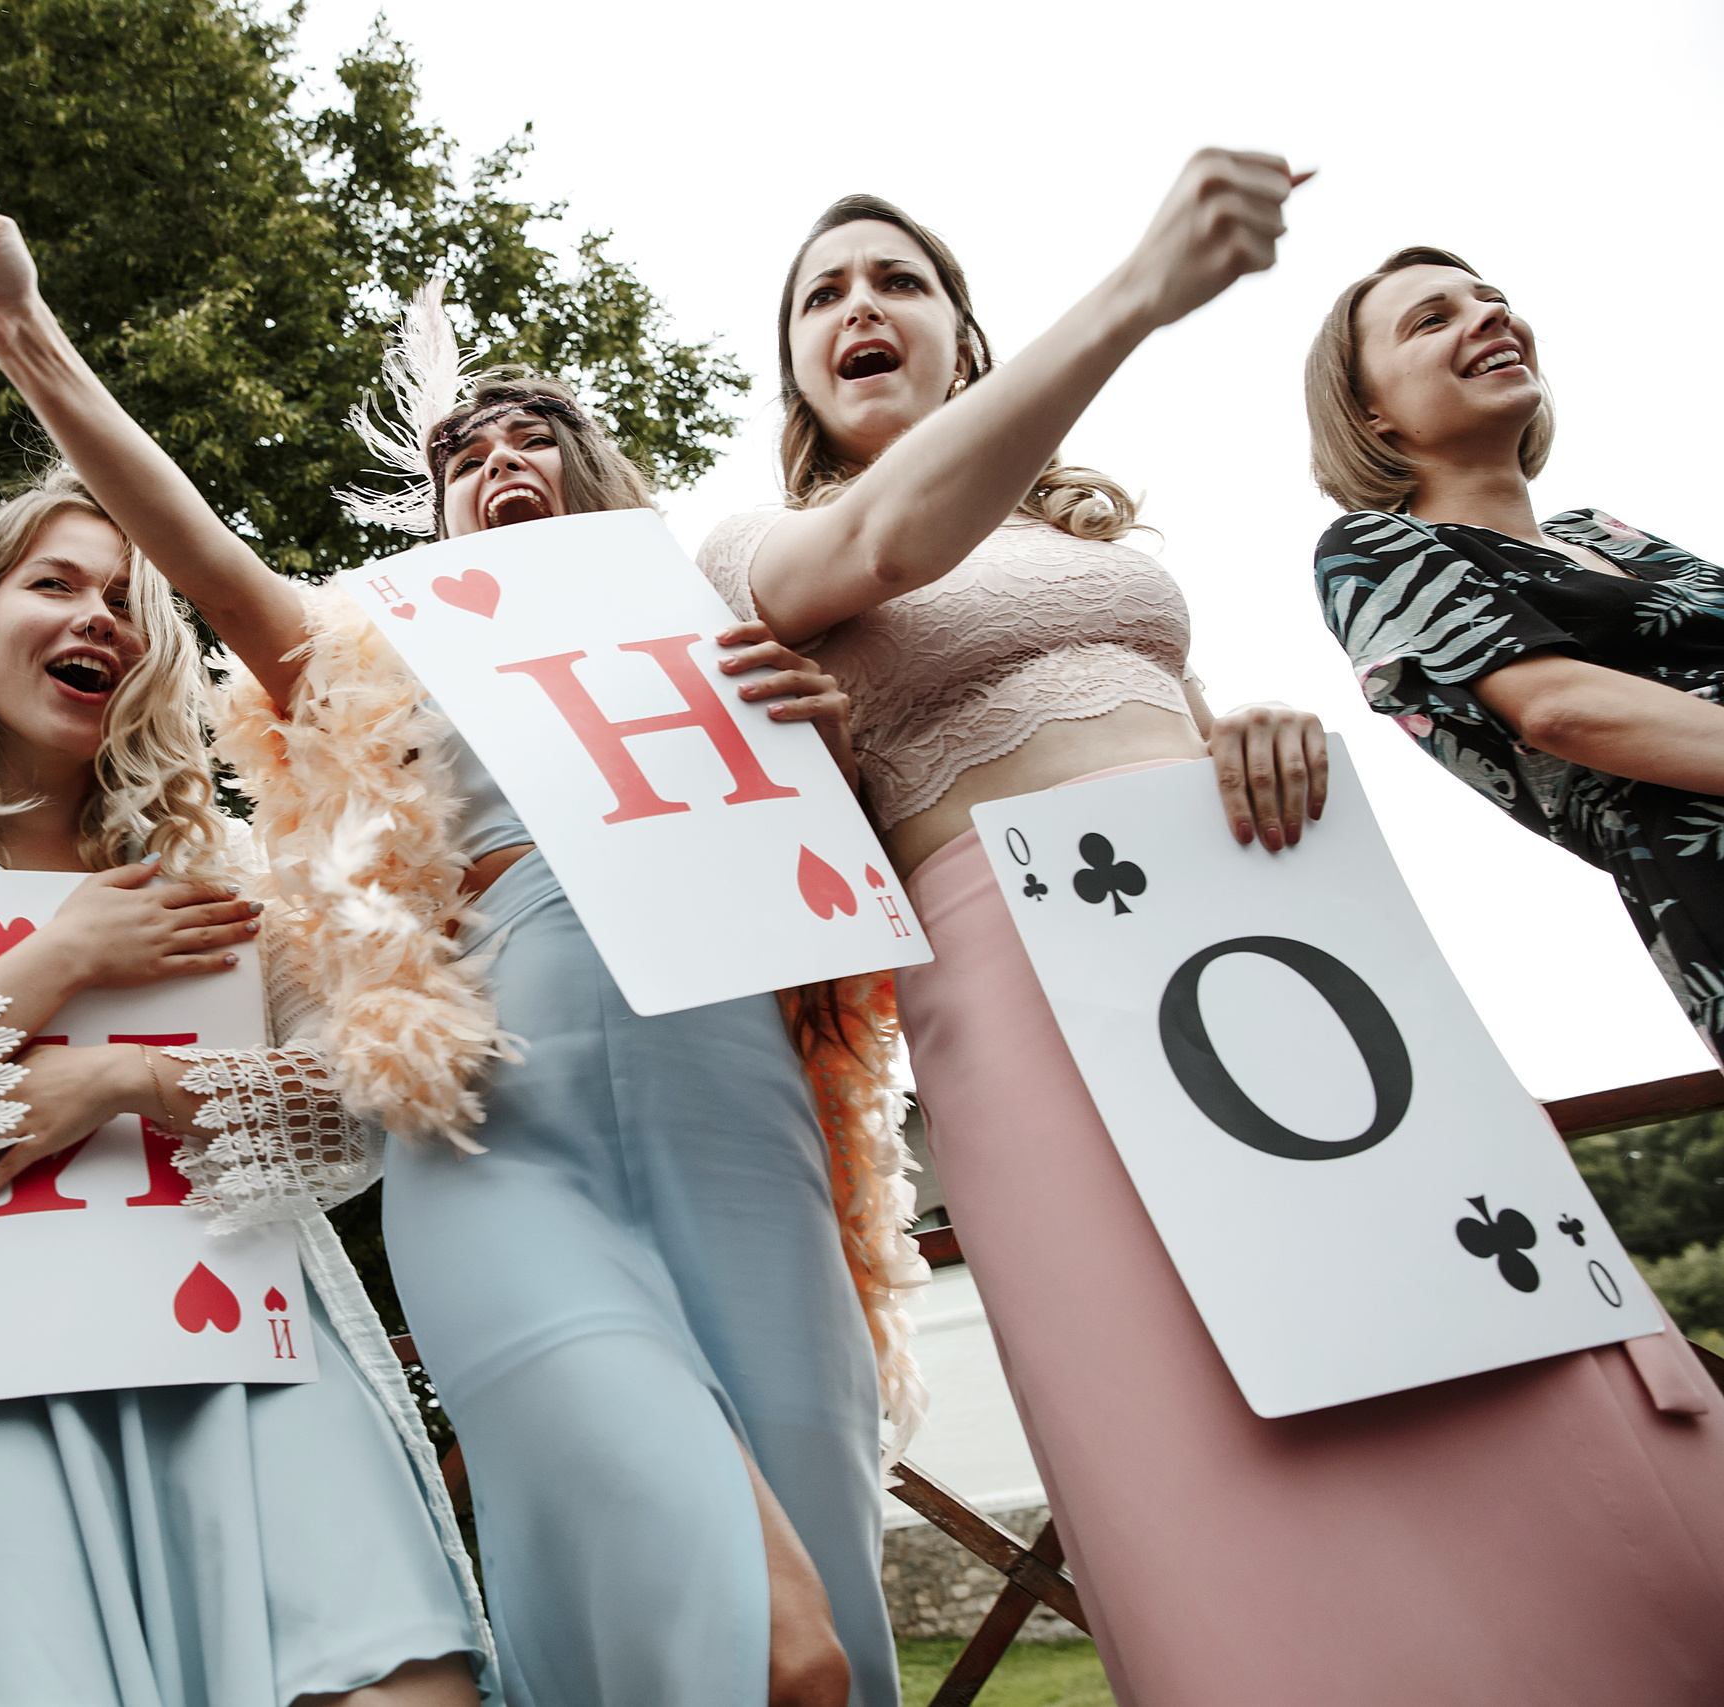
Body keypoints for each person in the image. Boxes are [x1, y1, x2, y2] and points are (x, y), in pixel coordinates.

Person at [701, 158, 1724, 1704]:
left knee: (1468, 1308)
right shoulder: (752, 549)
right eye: (824, 295)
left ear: (964, 338)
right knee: (1198, 1396)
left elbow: (1165, 720)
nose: (862, 306)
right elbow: (890, 552)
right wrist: (1138, 292)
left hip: (1268, 945)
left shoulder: (1102, 546)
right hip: (1026, 981)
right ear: (793, 369)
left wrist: (1254, 738)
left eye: (899, 279)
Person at [0, 186, 922, 1707]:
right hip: (500, 1140)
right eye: (461, 451)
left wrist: (827, 747)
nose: (497, 458)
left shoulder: (720, 619)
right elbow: (187, 537)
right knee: (774, 1645)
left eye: (533, 438)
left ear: (595, 477)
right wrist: (23, 333)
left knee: (832, 1593)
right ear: (429, 516)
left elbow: (868, 894)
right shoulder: (375, 652)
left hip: (746, 1126)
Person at [0, 464, 491, 1707]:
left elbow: (354, 1106)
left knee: (397, 1682)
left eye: (125, 598)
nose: (94, 615)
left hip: (249, 1351)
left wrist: (124, 1082)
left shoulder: (229, 866)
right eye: (53, 583)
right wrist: (59, 963)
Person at [1309, 245, 1724, 1063]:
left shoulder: (1605, 532)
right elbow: (1562, 709)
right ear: (1370, 415)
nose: (1491, 316)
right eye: (1434, 320)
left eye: (1491, 298)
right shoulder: (1374, 547)